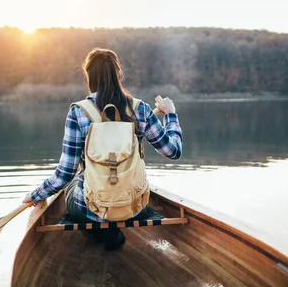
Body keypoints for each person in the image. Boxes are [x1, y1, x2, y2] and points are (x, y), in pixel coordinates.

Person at [22, 48, 182, 250]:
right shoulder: (140, 109)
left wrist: (36, 195)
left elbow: (64, 174)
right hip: (135, 207)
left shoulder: (78, 112)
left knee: (74, 178)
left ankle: (104, 231)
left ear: (89, 76)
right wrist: (171, 115)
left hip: (89, 208)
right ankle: (110, 230)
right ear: (118, 75)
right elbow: (173, 151)